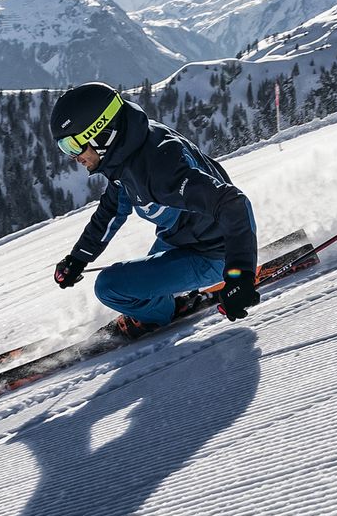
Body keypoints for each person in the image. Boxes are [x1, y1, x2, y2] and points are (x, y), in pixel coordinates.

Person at [48, 82, 261, 336]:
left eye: (72, 146)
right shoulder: (128, 153)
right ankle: (171, 295)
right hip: (184, 240)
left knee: (110, 287)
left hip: (212, 253)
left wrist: (240, 275)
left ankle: (164, 313)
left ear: (100, 132)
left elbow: (233, 203)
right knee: (134, 282)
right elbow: (113, 208)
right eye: (64, 149)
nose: (73, 157)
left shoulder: (159, 169)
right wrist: (78, 258)